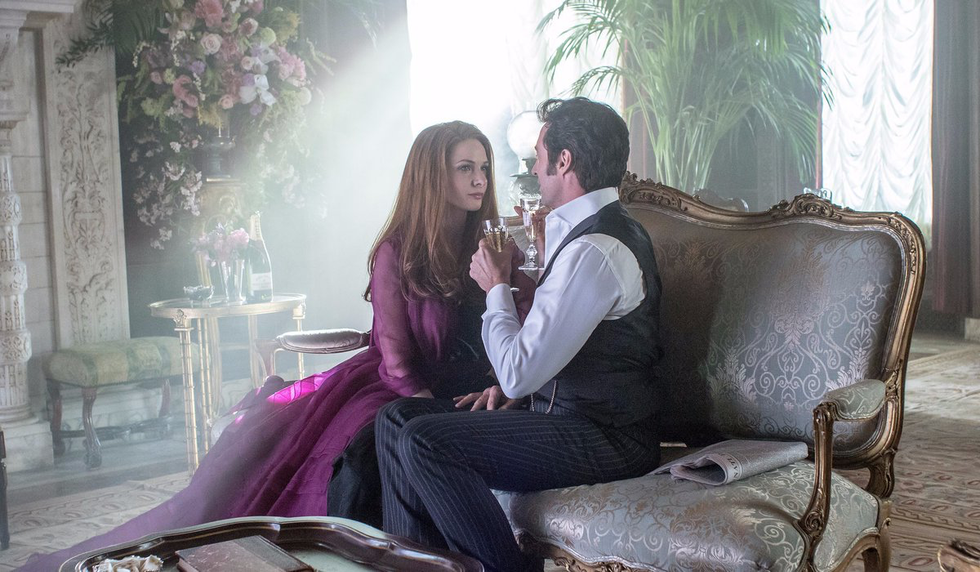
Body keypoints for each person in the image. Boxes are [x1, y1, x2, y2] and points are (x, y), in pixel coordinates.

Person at [19, 120, 528, 571]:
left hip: (480, 389)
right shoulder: (396, 252)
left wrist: (505, 386)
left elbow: (525, 326)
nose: (480, 180)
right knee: (362, 458)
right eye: (465, 168)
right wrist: (431, 413)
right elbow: (396, 361)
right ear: (432, 177)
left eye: (483, 167)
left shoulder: (495, 245)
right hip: (402, 388)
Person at [375, 97, 664, 572]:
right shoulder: (581, 233)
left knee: (425, 441)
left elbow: (517, 371)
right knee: (395, 420)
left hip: (605, 435)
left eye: (538, 155)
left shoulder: (594, 249)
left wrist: (496, 287)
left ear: (563, 161)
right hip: (565, 414)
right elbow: (545, 352)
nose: (532, 167)